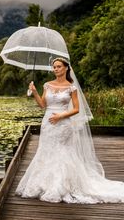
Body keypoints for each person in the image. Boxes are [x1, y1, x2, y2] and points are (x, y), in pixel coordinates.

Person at [16, 57, 124, 203]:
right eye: (54, 67)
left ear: (66, 68)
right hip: (48, 123)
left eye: (59, 66)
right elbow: (42, 105)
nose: (56, 69)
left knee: (63, 152)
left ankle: (62, 186)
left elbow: (76, 109)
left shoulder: (71, 87)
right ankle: (44, 184)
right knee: (46, 151)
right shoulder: (47, 85)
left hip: (63, 123)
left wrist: (61, 115)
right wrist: (34, 92)